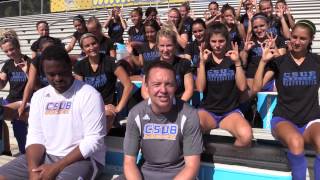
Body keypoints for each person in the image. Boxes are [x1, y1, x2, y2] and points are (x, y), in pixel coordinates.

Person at [0, 45, 106, 180]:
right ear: (43, 73)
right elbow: (35, 136)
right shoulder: (39, 96)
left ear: (70, 67)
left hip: (83, 159)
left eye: (62, 72)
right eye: (51, 74)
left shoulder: (89, 94)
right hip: (46, 155)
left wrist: (56, 167)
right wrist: (33, 171)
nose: (57, 78)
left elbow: (94, 140)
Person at [252, 20, 320, 180]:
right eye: (294, 37)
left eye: (302, 39)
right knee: (296, 143)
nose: (297, 42)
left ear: (311, 40)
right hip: (284, 119)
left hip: (311, 120)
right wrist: (263, 62)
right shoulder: (280, 61)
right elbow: (256, 88)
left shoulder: (317, 61)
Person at [123, 61, 203, 180]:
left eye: (168, 84)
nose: (163, 90)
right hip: (144, 174)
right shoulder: (136, 114)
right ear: (146, 86)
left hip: (178, 175)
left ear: (175, 86)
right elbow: (129, 162)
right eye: (156, 84)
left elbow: (192, 166)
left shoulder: (189, 114)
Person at [197, 23, 252, 147]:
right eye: (213, 41)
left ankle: (231, 160)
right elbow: (200, 88)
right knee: (190, 129)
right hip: (208, 111)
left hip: (230, 112)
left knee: (246, 136)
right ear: (208, 42)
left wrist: (237, 62)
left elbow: (242, 87)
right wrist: (201, 63)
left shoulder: (232, 59)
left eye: (221, 41)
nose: (217, 45)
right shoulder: (205, 59)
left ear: (227, 41)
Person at [73, 33, 133, 132]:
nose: (91, 47)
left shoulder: (110, 62)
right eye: (87, 46)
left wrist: (118, 108)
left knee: (103, 121)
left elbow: (128, 85)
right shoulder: (80, 66)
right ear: (83, 50)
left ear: (99, 44)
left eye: (94, 43)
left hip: (108, 107)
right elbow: (79, 92)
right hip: (89, 106)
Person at [141, 27, 194, 102]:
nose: (165, 50)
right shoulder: (150, 65)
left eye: (169, 45)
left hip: (179, 106)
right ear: (157, 46)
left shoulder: (184, 63)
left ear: (175, 45)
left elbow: (189, 90)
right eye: (162, 46)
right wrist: (157, 105)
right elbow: (144, 91)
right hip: (157, 106)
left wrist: (176, 106)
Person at [0, 30, 30, 154]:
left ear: (18, 46)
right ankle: (5, 150)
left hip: (27, 100)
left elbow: (36, 84)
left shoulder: (30, 61)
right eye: (6, 51)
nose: (9, 53)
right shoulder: (7, 64)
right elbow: (2, 84)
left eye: (12, 49)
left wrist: (27, 71)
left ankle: (24, 153)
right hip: (12, 100)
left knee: (19, 127)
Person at [18, 36, 63, 117]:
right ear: (40, 51)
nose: (51, 52)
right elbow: (30, 84)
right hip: (44, 95)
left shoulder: (60, 58)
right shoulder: (36, 61)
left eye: (53, 49)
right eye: (47, 50)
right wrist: (23, 104)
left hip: (61, 94)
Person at [240, 13, 286, 92]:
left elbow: (282, 63)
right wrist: (245, 51)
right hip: (251, 78)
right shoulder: (248, 41)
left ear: (268, 25)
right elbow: (243, 63)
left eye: (262, 26)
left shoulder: (277, 39)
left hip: (271, 79)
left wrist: (274, 47)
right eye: (255, 27)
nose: (259, 30)